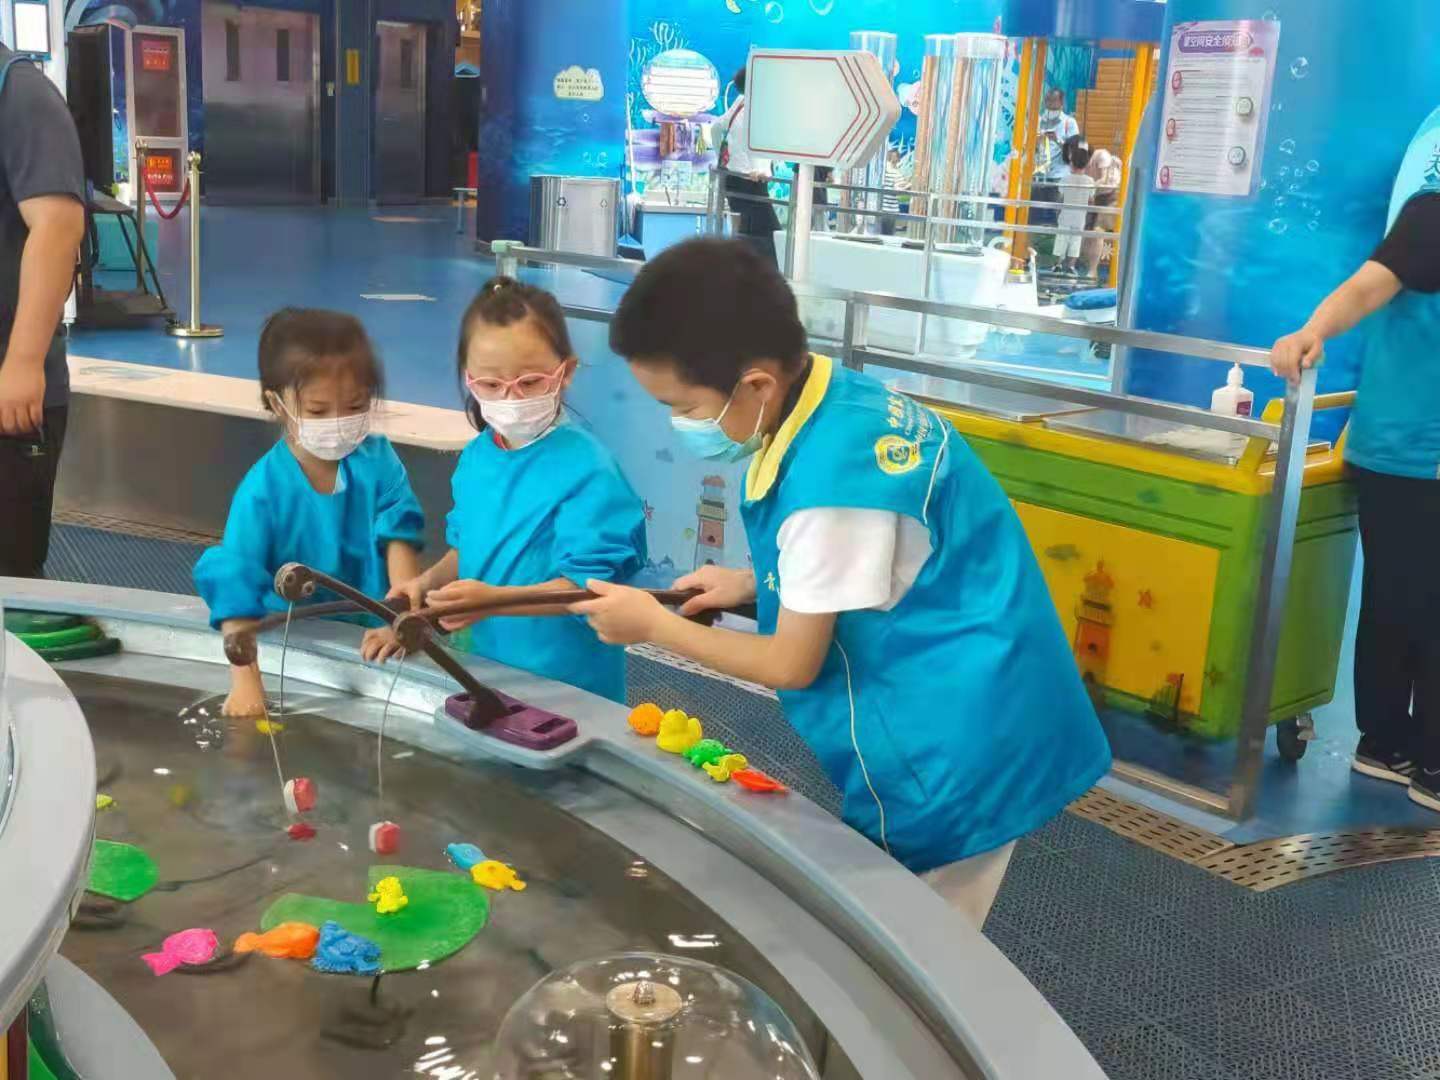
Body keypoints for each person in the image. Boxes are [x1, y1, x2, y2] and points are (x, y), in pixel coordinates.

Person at [577, 238, 1111, 925]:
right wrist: (752, 584)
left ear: (757, 384)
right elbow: (880, 560)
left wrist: (653, 626)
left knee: (912, 943)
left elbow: (790, 663)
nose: (680, 424)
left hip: (952, 747)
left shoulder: (828, 487)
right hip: (990, 689)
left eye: (684, 406)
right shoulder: (843, 400)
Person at [1270, 104, 1440, 811]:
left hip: (1405, 443)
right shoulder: (1432, 209)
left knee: (1403, 598)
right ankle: (1419, 755)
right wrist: (1312, 331)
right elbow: (1374, 280)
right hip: (1415, 446)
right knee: (1413, 601)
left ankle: (1389, 742)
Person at [383, 278, 646, 703]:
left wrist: (494, 602)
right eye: (490, 385)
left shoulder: (590, 471)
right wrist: (425, 585)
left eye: (530, 382)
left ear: (566, 372)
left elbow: (591, 589)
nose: (511, 398)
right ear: (469, 378)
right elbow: (469, 549)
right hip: (483, 670)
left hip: (568, 686)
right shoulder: (478, 457)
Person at [193, 309, 425, 716]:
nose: (339, 423)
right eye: (318, 411)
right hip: (290, 641)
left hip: (370, 635)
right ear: (277, 403)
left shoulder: (378, 463)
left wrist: (398, 618)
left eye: (355, 406)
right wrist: (246, 682)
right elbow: (234, 577)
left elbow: (399, 538)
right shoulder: (263, 490)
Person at [0, 45, 86, 577]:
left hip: (8, 391)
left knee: (9, 577)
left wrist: (23, 362)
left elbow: (58, 227)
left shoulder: (19, 94)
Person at [716, 67, 780, 267]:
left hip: (734, 177)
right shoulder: (753, 110)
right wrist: (760, 169)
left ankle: (744, 272)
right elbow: (754, 143)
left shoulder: (740, 103)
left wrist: (723, 159)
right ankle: (761, 275)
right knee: (768, 235)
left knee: (751, 232)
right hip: (749, 179)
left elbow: (717, 127)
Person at [1054, 139, 1096, 276]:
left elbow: (1060, 198)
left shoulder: (1065, 179)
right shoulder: (1090, 181)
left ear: (1071, 163)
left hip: (1065, 216)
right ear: (1087, 164)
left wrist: (1057, 212)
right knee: (1075, 241)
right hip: (1080, 217)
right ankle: (1071, 266)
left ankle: (1058, 264)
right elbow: (1091, 201)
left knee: (1061, 240)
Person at [1083, 145, 1122, 279]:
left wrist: (1088, 186)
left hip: (1110, 195)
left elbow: (1104, 179)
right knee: (1088, 232)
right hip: (1097, 196)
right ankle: (1089, 267)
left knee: (1098, 231)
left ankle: (1092, 270)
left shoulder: (1101, 155)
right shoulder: (1080, 162)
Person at [880, 147, 910, 237]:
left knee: (881, 233)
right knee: (889, 235)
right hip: (892, 208)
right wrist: (909, 185)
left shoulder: (883, 170)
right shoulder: (896, 172)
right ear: (897, 159)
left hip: (882, 207)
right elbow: (899, 189)